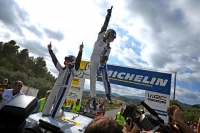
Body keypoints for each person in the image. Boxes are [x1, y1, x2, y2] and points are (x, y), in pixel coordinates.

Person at [42, 42, 83, 118]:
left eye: (68, 60)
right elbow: (55, 61)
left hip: (64, 87)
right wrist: (50, 50)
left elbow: (78, 63)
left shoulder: (73, 71)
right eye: (66, 60)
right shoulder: (62, 69)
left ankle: (58, 112)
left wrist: (80, 51)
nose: (66, 62)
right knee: (47, 105)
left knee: (55, 110)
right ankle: (48, 112)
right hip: (56, 86)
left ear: (72, 61)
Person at [90, 6, 116, 109]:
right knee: (92, 77)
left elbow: (105, 58)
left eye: (113, 38)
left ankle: (108, 94)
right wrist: (108, 16)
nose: (112, 39)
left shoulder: (109, 48)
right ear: (107, 34)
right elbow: (104, 26)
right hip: (93, 58)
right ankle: (93, 97)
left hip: (100, 60)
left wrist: (102, 65)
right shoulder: (101, 37)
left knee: (105, 75)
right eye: (111, 37)